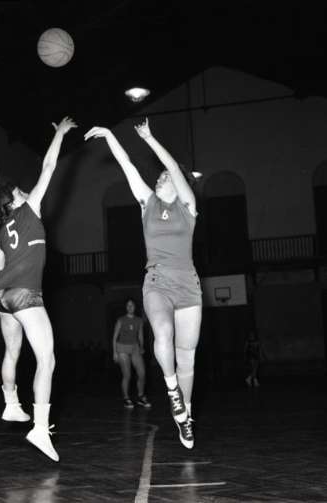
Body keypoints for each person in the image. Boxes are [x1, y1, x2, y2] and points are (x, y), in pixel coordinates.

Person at [85, 118, 202, 449]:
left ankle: (185, 416)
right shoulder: (147, 202)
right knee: (162, 333)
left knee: (187, 356)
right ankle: (171, 390)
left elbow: (172, 167)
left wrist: (150, 139)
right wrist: (109, 134)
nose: (161, 178)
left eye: (166, 177)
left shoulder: (188, 207)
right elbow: (126, 164)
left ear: (178, 185)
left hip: (188, 285)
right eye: (160, 177)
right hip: (157, 281)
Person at [0, 116, 77, 462]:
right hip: (24, 293)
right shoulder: (29, 208)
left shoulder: (0, 232)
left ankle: (11, 403)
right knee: (46, 359)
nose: (24, 189)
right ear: (13, 199)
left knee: (12, 352)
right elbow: (49, 166)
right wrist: (60, 134)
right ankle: (39, 429)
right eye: (19, 190)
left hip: (1, 295)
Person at [112, 299, 151, 409]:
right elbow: (114, 337)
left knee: (142, 373)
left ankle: (140, 397)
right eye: (128, 305)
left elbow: (140, 335)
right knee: (127, 375)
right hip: (122, 348)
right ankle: (126, 398)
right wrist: (115, 353)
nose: (130, 307)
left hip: (135, 348)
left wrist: (142, 347)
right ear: (126, 307)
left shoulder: (139, 320)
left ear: (135, 307)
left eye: (132, 305)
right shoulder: (121, 320)